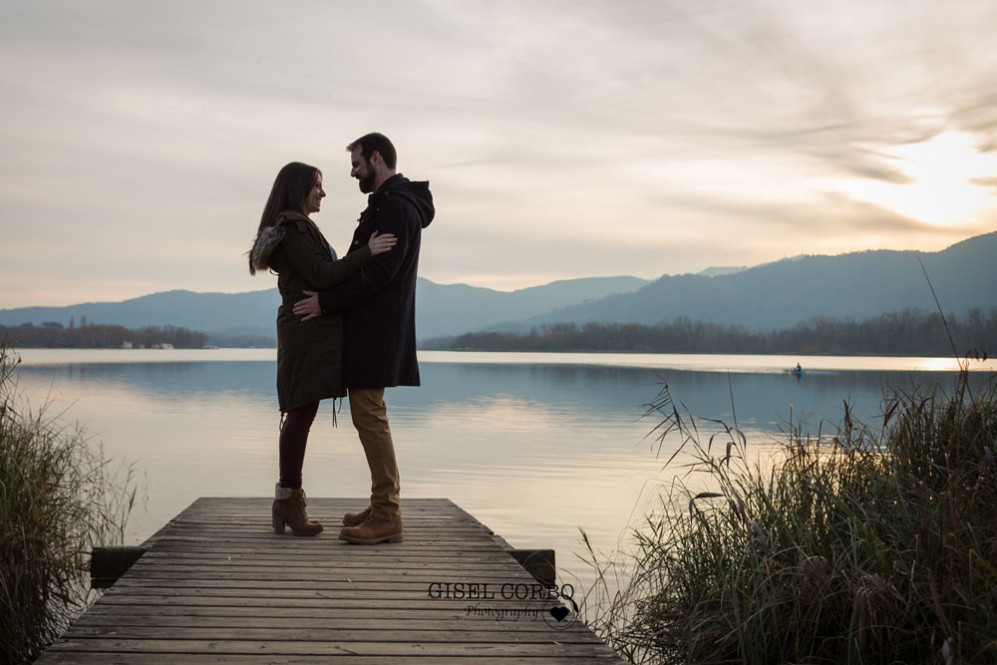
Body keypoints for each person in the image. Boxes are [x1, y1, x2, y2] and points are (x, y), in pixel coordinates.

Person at [292, 133, 434, 545]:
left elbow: (379, 274)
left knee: (370, 417)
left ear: (376, 158)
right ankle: (381, 503)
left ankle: (388, 515)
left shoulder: (395, 207)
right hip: (375, 326)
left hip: (377, 327)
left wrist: (327, 302)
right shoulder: (389, 204)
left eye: (356, 164)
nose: (353, 172)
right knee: (370, 416)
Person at [249, 161, 397, 536]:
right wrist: (369, 252)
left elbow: (319, 277)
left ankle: (288, 501)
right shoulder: (295, 229)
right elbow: (322, 275)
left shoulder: (297, 227)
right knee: (299, 414)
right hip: (305, 333)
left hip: (308, 332)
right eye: (317, 185)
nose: (323, 192)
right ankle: (287, 500)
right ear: (299, 188)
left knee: (301, 413)